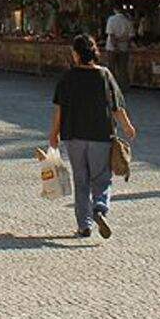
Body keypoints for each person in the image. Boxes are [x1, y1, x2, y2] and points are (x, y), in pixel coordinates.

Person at [48, 34, 137, 239]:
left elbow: (59, 109)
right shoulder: (104, 75)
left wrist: (54, 134)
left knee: (81, 180)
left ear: (76, 54)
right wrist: (128, 126)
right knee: (101, 177)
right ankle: (99, 207)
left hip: (73, 135)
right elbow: (116, 106)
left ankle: (84, 225)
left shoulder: (68, 77)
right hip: (100, 134)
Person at [104, 7, 134, 78]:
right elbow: (130, 36)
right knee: (123, 69)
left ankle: (111, 83)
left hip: (111, 48)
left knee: (111, 69)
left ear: (115, 10)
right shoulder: (128, 20)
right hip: (124, 47)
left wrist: (115, 46)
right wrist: (120, 40)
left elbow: (111, 35)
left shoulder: (111, 19)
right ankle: (122, 83)